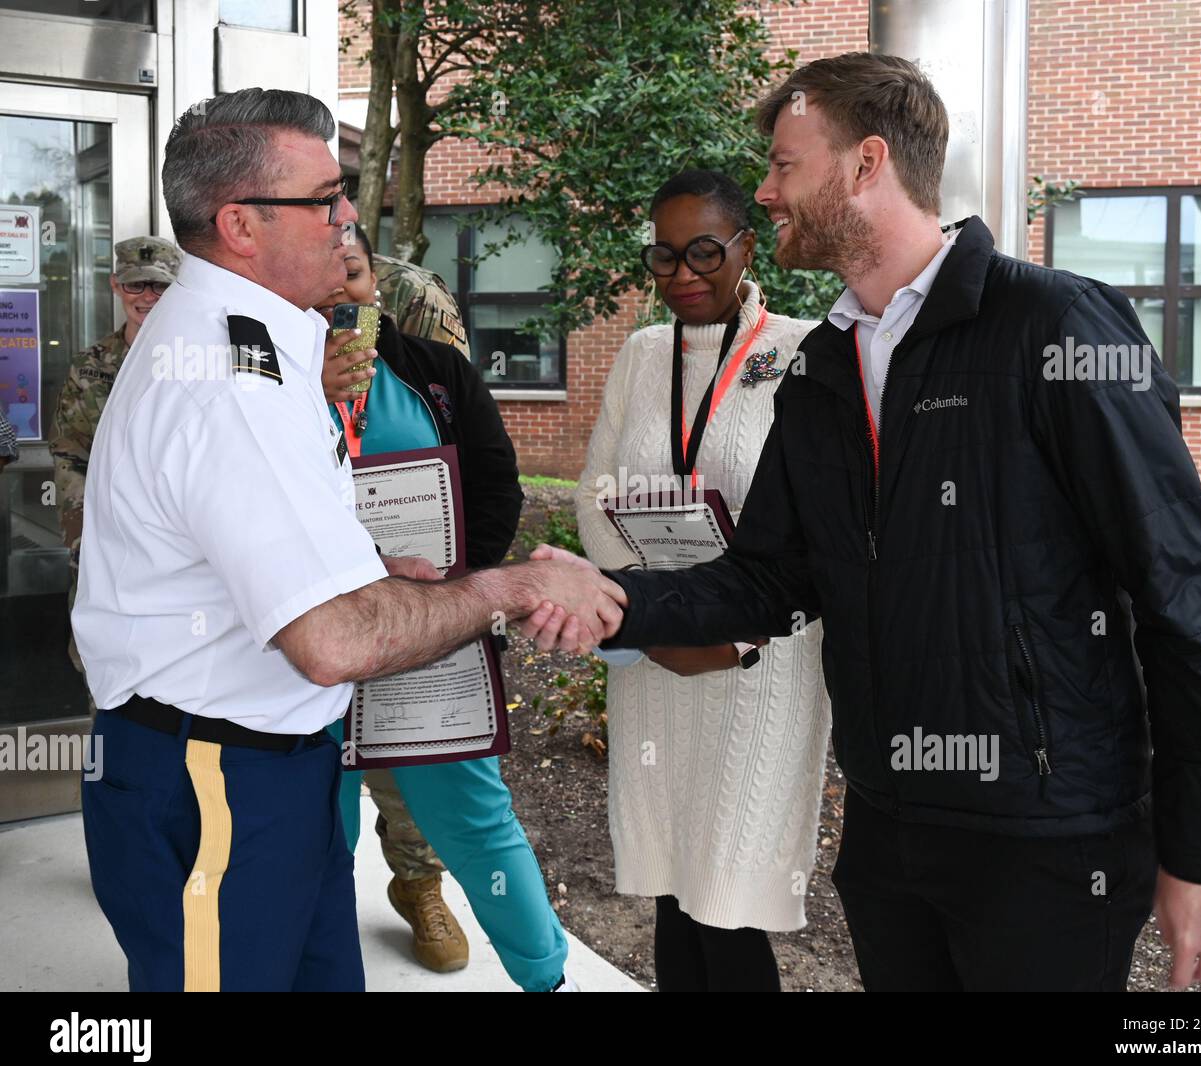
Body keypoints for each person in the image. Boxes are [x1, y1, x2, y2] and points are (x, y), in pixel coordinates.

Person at [528, 53, 1201, 992]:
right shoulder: (826, 364)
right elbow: (770, 576)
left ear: (867, 162)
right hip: (888, 835)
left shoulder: (1054, 326)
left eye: (786, 165)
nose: (765, 190)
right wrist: (612, 598)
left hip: (1048, 842)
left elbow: (1183, 590)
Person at [72, 87, 623, 992]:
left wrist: (366, 571)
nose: (345, 221)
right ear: (240, 224)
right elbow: (331, 641)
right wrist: (511, 588)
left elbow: (251, 548)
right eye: (323, 199)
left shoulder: (260, 344)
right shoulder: (230, 377)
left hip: (264, 777)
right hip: (221, 785)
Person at [574, 169, 830, 992]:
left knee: (730, 898)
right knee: (672, 894)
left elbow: (816, 530)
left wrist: (730, 638)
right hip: (658, 657)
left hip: (756, 667)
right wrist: (646, 620)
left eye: (704, 252)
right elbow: (595, 496)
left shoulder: (803, 352)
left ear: (746, 248)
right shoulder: (643, 356)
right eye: (663, 256)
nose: (682, 273)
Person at [318, 225, 575, 991]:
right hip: (309, 650)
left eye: (354, 274)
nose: (339, 294)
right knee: (309, 833)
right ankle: (317, 967)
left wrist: (455, 593)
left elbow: (497, 487)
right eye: (322, 276)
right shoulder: (265, 387)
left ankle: (544, 974)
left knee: (477, 821)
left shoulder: (436, 373)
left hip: (431, 639)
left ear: (378, 282)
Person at [49, 236, 182, 696]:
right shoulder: (90, 367)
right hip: (107, 549)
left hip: (178, 551)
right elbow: (70, 455)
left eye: (159, 287)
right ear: (114, 287)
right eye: (135, 286)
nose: (146, 298)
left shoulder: (200, 361)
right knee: (104, 673)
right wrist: (84, 542)